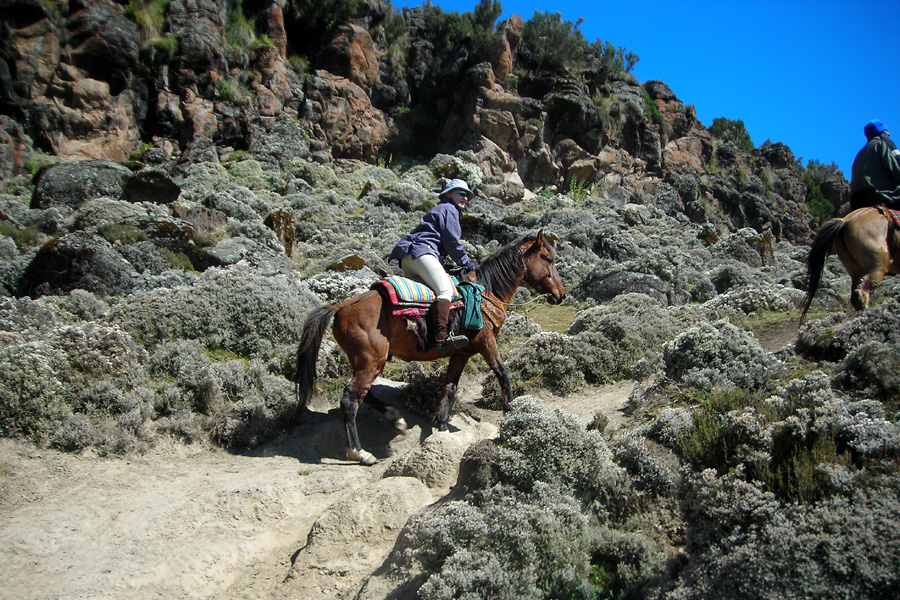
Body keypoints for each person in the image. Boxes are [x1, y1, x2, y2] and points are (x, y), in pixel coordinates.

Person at [389, 178, 476, 353]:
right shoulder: (449, 208)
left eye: (467, 195)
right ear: (448, 194)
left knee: (421, 299)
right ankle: (442, 339)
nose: (465, 197)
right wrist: (465, 262)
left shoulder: (440, 209)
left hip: (409, 257)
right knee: (445, 291)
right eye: (461, 193)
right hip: (423, 253)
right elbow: (451, 241)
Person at [849, 119, 900, 210]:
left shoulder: (860, 154)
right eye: (886, 131)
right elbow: (897, 167)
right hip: (879, 195)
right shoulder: (885, 143)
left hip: (856, 201)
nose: (888, 134)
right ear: (880, 133)